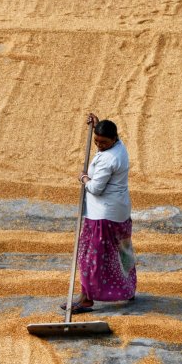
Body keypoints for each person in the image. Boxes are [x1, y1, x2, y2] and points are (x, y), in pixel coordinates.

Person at [63, 112, 137, 313]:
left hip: (103, 216)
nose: (98, 145)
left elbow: (96, 189)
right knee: (121, 251)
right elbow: (104, 135)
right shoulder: (120, 147)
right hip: (119, 212)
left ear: (113, 139)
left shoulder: (108, 160)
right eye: (96, 140)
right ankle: (128, 289)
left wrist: (84, 178)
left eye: (103, 142)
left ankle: (86, 299)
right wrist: (97, 126)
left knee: (89, 258)